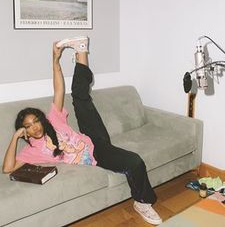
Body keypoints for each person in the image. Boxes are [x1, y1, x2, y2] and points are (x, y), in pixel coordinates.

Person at [2, 37, 162, 225]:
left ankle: (81, 51)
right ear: (25, 131)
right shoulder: (31, 151)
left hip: (92, 136)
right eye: (28, 126)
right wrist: (14, 138)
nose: (35, 127)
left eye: (36, 121)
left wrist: (55, 60)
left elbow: (59, 89)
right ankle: (143, 203)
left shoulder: (53, 119)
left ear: (42, 120)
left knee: (80, 97)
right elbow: (7, 168)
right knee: (134, 161)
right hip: (96, 154)